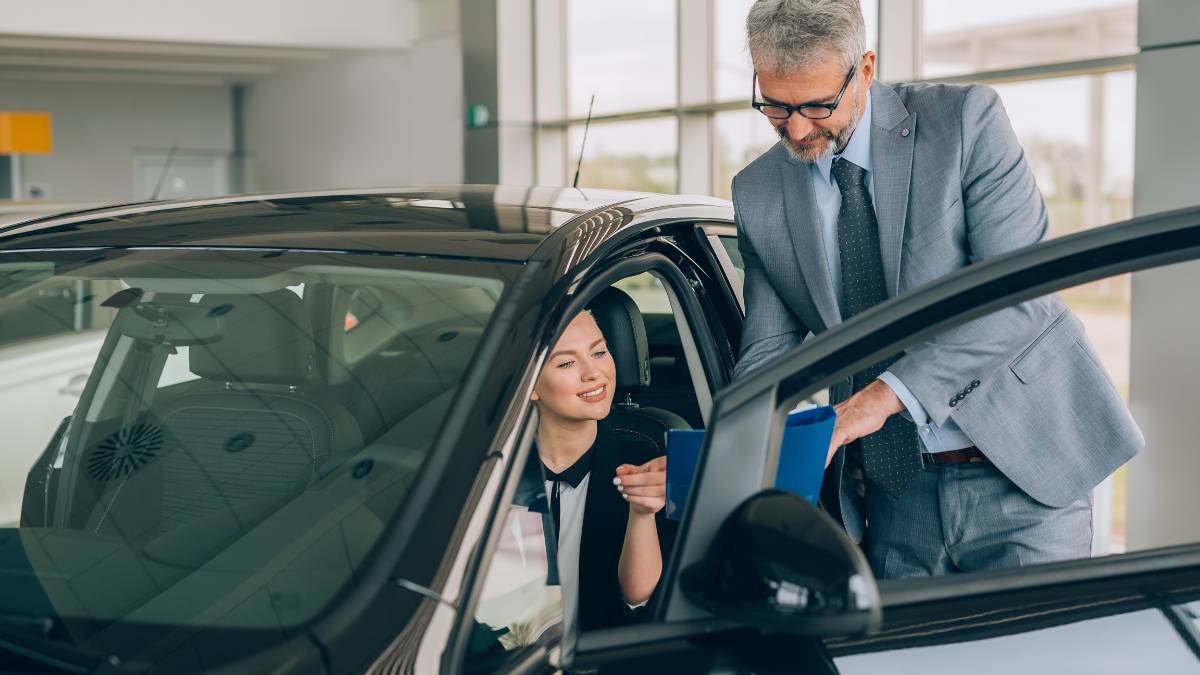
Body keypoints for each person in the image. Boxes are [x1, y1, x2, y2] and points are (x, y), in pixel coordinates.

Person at [732, 0, 1143, 577]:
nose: (797, 129)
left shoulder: (965, 123)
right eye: (775, 106)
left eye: (818, 105)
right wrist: (716, 455)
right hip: (895, 492)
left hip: (1023, 472)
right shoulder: (757, 192)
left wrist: (879, 399)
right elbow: (766, 356)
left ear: (866, 69)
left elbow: (1019, 295)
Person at [524, 309, 672, 636]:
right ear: (529, 385)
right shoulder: (494, 471)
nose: (594, 373)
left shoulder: (652, 460)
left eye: (600, 352)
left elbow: (641, 605)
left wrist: (642, 514)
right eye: (566, 363)